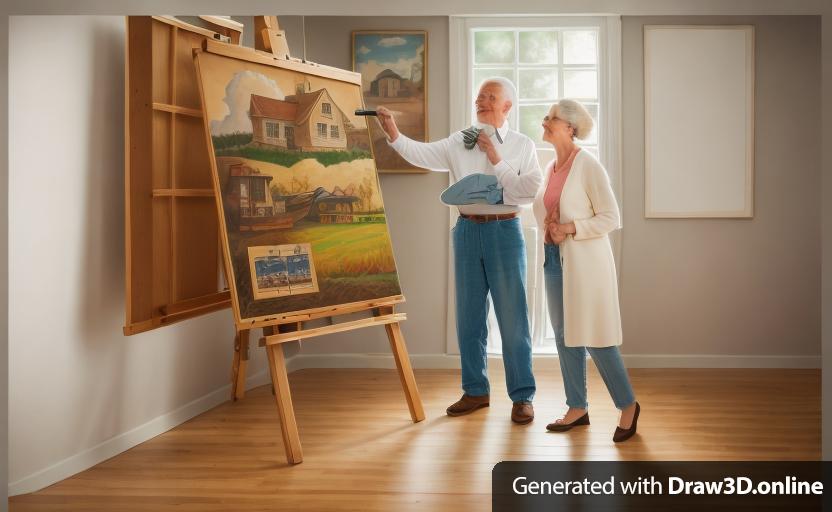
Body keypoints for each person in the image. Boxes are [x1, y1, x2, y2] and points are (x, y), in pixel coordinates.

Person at [375, 78, 542, 424]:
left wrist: (497, 160)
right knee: (468, 317)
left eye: (490, 97)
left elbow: (528, 192)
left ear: (507, 106)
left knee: (513, 319)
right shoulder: (458, 140)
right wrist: (392, 131)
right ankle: (476, 390)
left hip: (505, 232)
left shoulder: (523, 145)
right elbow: (420, 153)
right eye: (479, 96)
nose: (481, 101)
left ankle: (522, 396)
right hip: (466, 231)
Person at [532, 99, 641, 442]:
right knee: (565, 336)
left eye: (552, 118)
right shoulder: (551, 167)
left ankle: (628, 406)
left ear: (571, 128)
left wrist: (571, 228)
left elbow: (611, 217)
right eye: (547, 117)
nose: (545, 121)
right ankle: (576, 407)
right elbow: (548, 212)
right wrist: (549, 224)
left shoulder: (588, 165)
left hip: (585, 266)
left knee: (595, 335)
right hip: (554, 260)